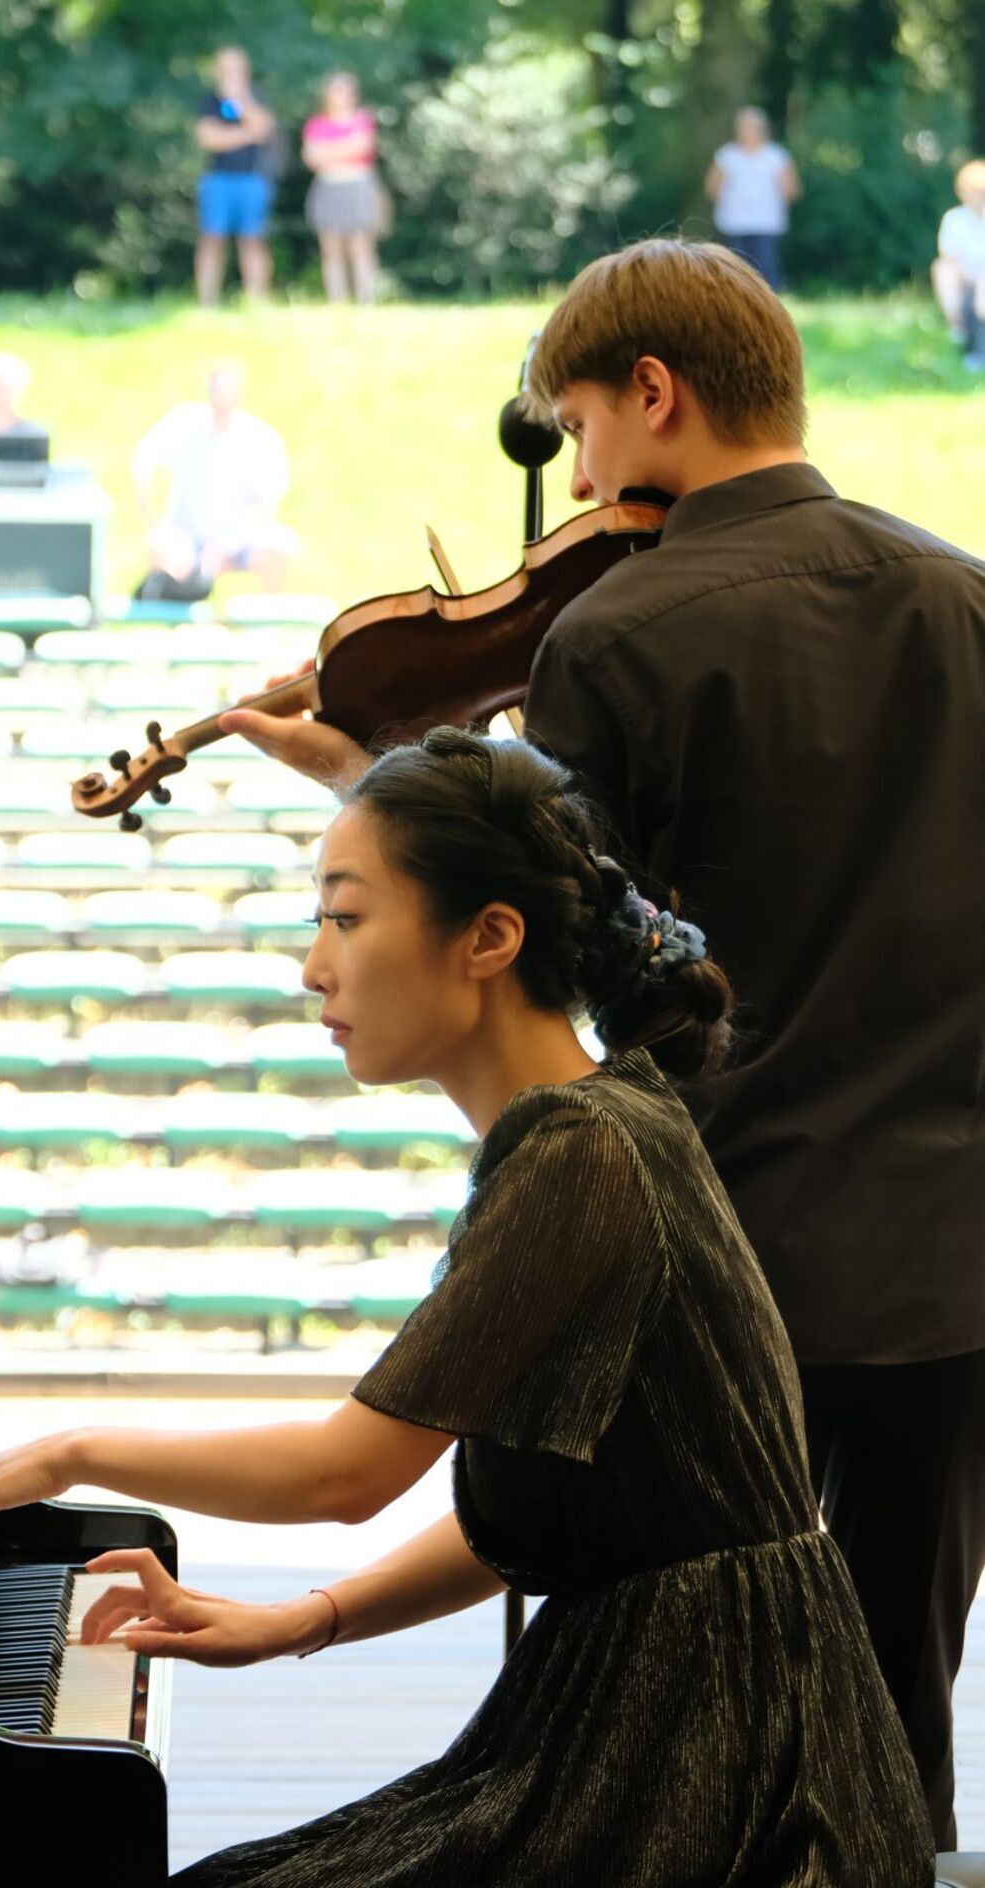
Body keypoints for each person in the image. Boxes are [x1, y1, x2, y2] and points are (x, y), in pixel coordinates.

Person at [218, 237, 985, 1849]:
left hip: (716, 1252)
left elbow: (550, 943)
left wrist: (371, 774)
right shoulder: (963, 597)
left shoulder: (621, 634)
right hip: (952, 1264)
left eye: (577, 428)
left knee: (668, 1701)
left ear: (655, 393)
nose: (578, 473)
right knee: (890, 1714)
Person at [0, 730, 933, 1886]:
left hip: (725, 1766)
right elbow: (578, 1514)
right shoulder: (608, 1117)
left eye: (345, 918)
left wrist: (67, 1451)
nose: (314, 967)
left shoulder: (579, 1157)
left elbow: (341, 1475)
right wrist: (303, 1621)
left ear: (488, 938)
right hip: (704, 1708)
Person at [130, 362, 298, 600]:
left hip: (241, 541)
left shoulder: (259, 438)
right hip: (187, 538)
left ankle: (266, 624)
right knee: (161, 545)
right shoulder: (185, 425)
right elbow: (143, 461)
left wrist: (228, 544)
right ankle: (169, 613)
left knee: (279, 546)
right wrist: (155, 523)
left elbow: (269, 501)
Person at [195, 47, 277, 306]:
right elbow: (208, 138)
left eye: (236, 69)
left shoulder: (256, 98)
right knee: (212, 239)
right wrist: (246, 134)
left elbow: (264, 129)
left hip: (251, 180)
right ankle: (208, 301)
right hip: (217, 179)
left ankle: (257, 301)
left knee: (253, 239)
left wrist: (242, 102)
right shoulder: (209, 101)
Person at [302, 72, 384, 304]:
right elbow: (311, 158)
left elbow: (363, 146)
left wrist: (327, 151)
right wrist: (346, 148)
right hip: (329, 187)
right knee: (331, 248)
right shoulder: (316, 123)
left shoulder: (362, 120)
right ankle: (336, 300)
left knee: (361, 245)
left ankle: (366, 299)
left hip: (357, 186)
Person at [705, 107, 800, 289]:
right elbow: (712, 187)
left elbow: (790, 189)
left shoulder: (776, 156)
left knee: (766, 267)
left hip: (766, 223)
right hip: (734, 223)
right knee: (736, 269)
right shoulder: (727, 155)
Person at [932, 159, 985, 369]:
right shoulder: (954, 219)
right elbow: (948, 257)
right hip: (964, 277)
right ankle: (958, 325)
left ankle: (978, 348)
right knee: (942, 270)